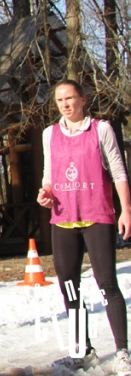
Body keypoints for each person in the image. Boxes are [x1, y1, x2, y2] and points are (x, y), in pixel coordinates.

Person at [36, 80, 131, 373]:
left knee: (108, 285)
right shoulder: (49, 134)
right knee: (69, 286)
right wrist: (45, 193)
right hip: (63, 218)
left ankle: (123, 351)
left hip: (97, 215)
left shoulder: (101, 129)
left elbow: (118, 171)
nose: (65, 104)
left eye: (70, 98)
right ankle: (82, 350)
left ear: (83, 99)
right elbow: (49, 174)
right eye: (60, 100)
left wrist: (126, 211)